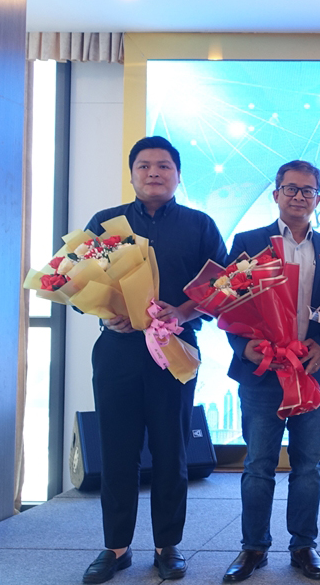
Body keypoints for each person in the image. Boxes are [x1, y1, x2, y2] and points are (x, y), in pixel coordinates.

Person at [82, 136, 227, 583]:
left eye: (164, 166)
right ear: (132, 174)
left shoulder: (200, 225)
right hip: (119, 351)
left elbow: (223, 287)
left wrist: (181, 313)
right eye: (144, 166)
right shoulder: (107, 224)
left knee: (171, 450)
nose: (154, 173)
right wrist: (109, 317)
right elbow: (72, 282)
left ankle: (168, 544)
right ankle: (117, 547)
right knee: (118, 449)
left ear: (178, 175)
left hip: (175, 350)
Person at [222, 160, 320, 582]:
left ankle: (304, 546)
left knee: (308, 465)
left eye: (308, 190)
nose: (299, 196)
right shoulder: (247, 243)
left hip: (312, 371)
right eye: (291, 189)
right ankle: (253, 547)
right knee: (258, 464)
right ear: (275, 194)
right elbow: (228, 305)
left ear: (318, 198)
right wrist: (245, 347)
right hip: (262, 373)